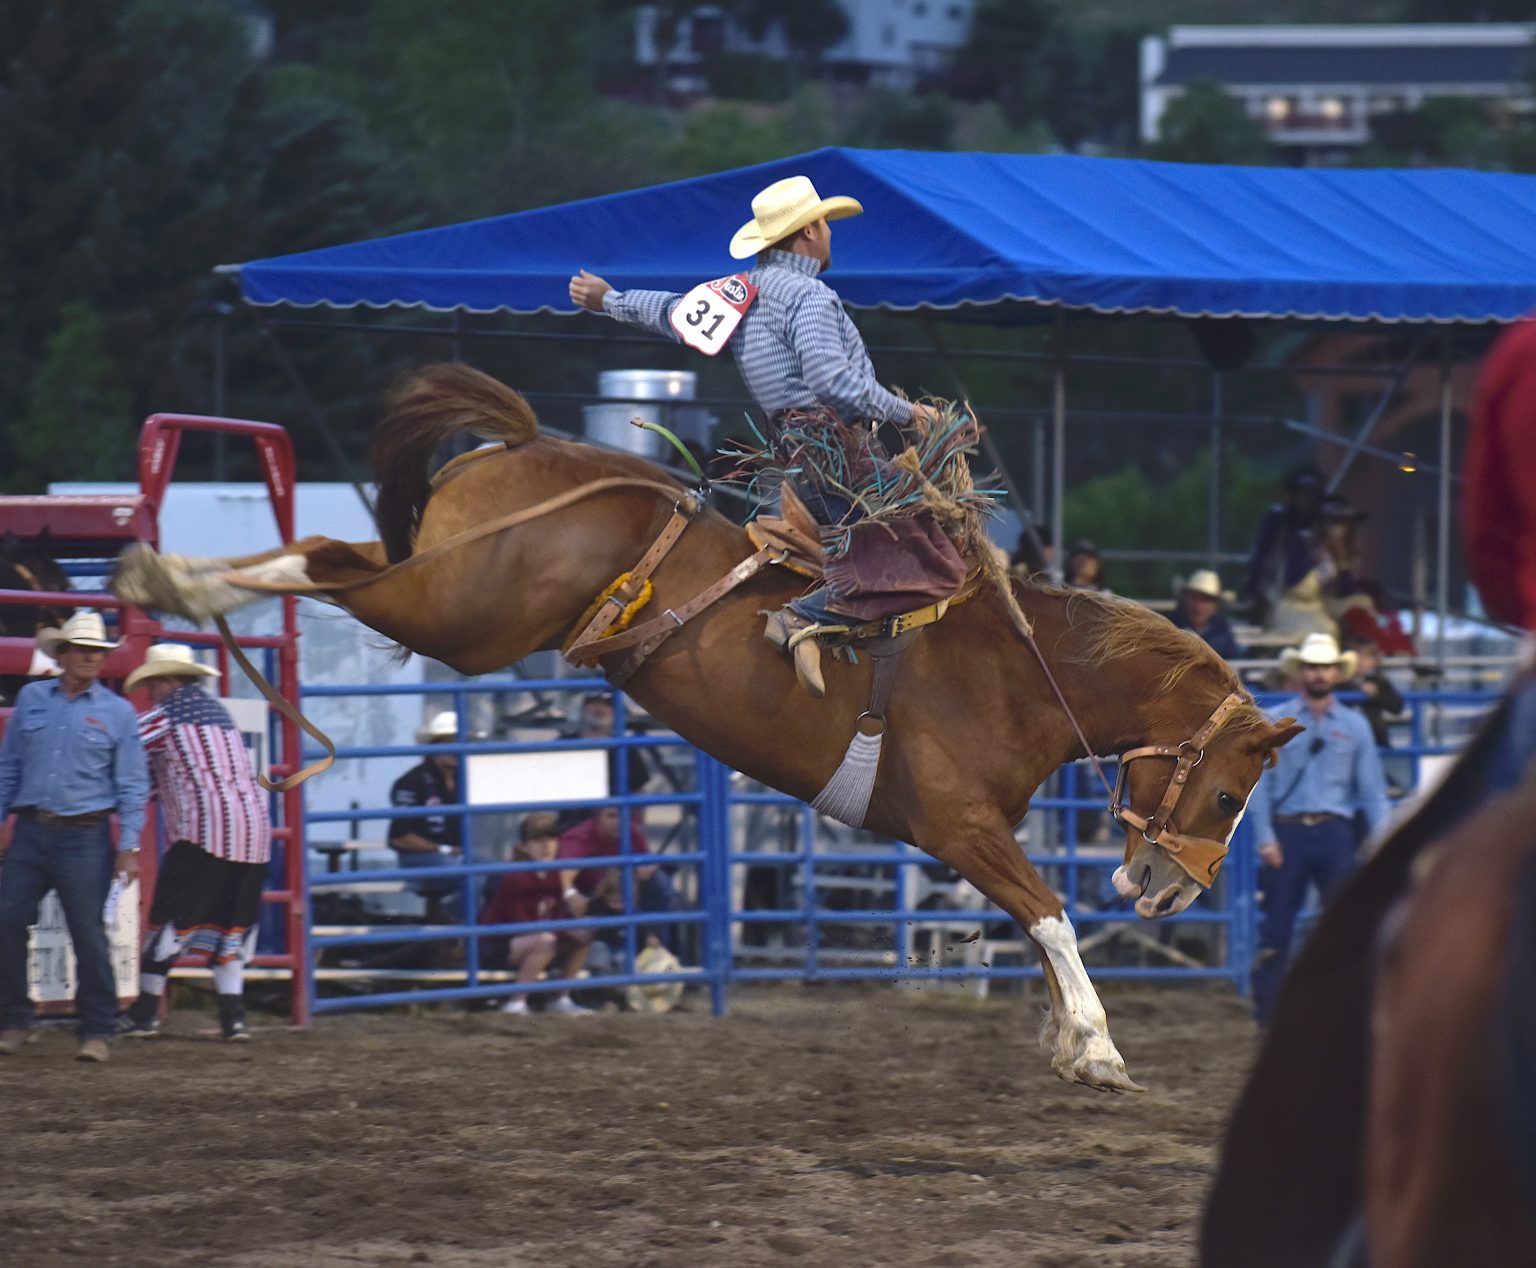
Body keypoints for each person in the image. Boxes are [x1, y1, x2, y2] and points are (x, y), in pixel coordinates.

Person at [570, 174, 960, 698]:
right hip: (838, 455)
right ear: (807, 234)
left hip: (796, 458)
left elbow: (669, 312)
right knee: (938, 562)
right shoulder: (812, 297)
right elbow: (832, 382)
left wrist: (609, 299)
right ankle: (807, 618)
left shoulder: (742, 294)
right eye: (824, 224)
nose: (828, 234)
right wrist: (908, 413)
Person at [0, 612, 149, 1063]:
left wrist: (129, 846)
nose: (90, 657)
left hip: (85, 833)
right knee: (5, 922)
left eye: (97, 651)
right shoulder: (32, 699)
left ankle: (98, 1028)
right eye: (82, 649)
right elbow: (9, 765)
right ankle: (13, 1018)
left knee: (87, 933)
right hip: (31, 828)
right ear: (62, 655)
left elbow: (132, 784)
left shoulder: (118, 712)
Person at [116, 643, 269, 1042]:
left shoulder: (166, 717)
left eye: (153, 684)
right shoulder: (220, 716)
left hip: (206, 835)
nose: (150, 692)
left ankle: (146, 1012)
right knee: (231, 925)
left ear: (168, 681)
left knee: (169, 920)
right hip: (253, 836)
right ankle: (234, 1018)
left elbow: (124, 746)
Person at [1245, 632, 1392, 1026]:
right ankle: (1268, 1018)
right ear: (1302, 672)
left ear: (1336, 672)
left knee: (1345, 927)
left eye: (1325, 667)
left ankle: (1344, 1012)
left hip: (1334, 833)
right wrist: (1265, 839)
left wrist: (1380, 842)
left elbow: (1373, 792)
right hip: (1288, 832)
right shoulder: (1280, 722)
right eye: (1312, 667)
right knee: (1276, 930)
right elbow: (1261, 786)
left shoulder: (1355, 727)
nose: (1319, 674)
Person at [479, 812, 591, 1016]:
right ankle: (516, 1002)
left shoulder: (556, 874)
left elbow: (555, 916)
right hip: (500, 945)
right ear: (524, 846)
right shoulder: (515, 877)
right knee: (546, 941)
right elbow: (521, 925)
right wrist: (563, 931)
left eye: (551, 839)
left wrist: (570, 932)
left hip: (537, 938)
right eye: (538, 840)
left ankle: (562, 999)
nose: (546, 846)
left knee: (582, 935)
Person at [558, 806, 675, 954]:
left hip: (628, 904)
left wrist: (646, 868)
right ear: (597, 819)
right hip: (590, 899)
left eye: (622, 816)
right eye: (611, 816)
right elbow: (565, 873)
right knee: (599, 951)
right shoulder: (579, 836)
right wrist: (571, 894)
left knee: (660, 882)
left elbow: (646, 860)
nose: (618, 822)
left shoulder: (638, 919)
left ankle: (664, 966)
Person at [388, 710, 466, 922]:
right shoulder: (411, 781)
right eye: (449, 742)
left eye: (460, 742)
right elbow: (399, 836)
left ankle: (479, 938)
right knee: (470, 876)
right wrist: (445, 849)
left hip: (455, 858)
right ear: (434, 747)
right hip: (419, 859)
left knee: (501, 875)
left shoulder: (465, 781)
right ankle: (457, 931)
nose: (456, 749)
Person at [1247, 468, 1326, 629]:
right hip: (1276, 590)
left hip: (1313, 598)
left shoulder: (1323, 523)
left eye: (1312, 496)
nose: (1307, 501)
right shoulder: (1278, 520)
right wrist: (1255, 587)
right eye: (1303, 495)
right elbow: (1260, 555)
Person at [1170, 569, 1244, 659]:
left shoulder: (1222, 631)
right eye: (1194, 598)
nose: (1198, 606)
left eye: (1205, 601)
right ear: (1183, 600)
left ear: (1216, 607)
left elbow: (1232, 660)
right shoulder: (1168, 627)